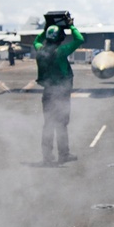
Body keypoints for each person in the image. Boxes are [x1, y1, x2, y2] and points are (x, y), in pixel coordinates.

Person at [33, 15, 85, 166]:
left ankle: (47, 157)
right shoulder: (61, 52)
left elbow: (36, 41)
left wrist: (45, 29)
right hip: (61, 93)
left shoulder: (40, 50)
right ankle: (64, 154)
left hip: (48, 92)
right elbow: (79, 39)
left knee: (48, 124)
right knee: (61, 124)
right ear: (60, 38)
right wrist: (71, 26)